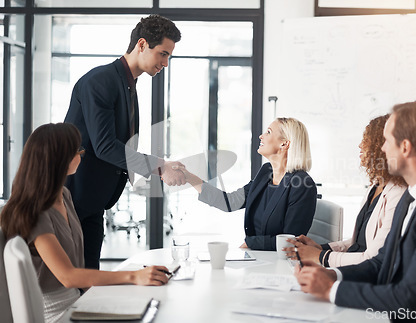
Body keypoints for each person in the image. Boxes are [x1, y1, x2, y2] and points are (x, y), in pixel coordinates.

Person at [294, 101, 416, 322]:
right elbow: (381, 263)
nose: (382, 148)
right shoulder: (414, 197)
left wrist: (330, 291)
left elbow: (407, 299)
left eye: (387, 140)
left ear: (405, 147)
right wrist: (332, 275)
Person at [0, 123, 172, 323]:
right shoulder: (36, 212)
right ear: (59, 160)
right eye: (77, 150)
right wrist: (133, 276)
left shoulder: (64, 195)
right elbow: (68, 276)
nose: (81, 155)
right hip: (55, 314)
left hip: (77, 301)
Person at [64, 14, 186, 269]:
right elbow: (106, 146)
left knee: (89, 274)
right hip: (73, 197)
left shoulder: (127, 84)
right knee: (75, 279)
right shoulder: (101, 82)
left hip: (93, 200)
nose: (165, 63)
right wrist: (160, 166)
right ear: (141, 44)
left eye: (168, 57)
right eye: (162, 54)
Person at [285, 114, 406, 267]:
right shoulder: (375, 185)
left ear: (382, 145)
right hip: (352, 266)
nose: (360, 146)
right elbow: (359, 243)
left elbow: (373, 257)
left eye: (367, 140)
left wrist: (321, 256)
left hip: (364, 273)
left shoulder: (399, 193)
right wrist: (321, 248)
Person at [182, 117, 317, 251]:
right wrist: (189, 178)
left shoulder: (303, 185)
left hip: (280, 261)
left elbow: (290, 240)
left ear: (284, 144)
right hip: (257, 257)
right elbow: (230, 201)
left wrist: (252, 243)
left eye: (268, 132)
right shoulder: (266, 173)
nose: (261, 136)